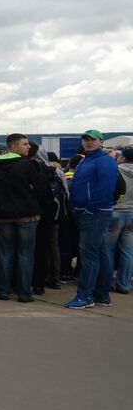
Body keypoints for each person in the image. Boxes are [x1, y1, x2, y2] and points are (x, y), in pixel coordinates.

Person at [0, 132, 47, 303]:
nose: (29, 147)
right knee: (25, 254)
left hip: (4, 215)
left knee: (6, 253)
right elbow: (40, 188)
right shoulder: (26, 165)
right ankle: (23, 292)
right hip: (27, 214)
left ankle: (4, 290)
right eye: (25, 144)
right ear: (14, 147)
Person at [66, 130, 120, 309]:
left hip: (94, 212)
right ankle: (101, 295)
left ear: (101, 141)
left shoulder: (103, 160)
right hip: (90, 211)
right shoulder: (87, 159)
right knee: (100, 252)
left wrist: (90, 207)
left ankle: (86, 295)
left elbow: (106, 186)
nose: (88, 142)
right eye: (86, 139)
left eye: (92, 140)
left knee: (90, 254)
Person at [110, 148, 133, 295]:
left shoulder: (116, 170)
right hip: (132, 213)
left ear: (123, 158)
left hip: (116, 211)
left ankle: (106, 282)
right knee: (128, 252)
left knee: (108, 249)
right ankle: (124, 284)